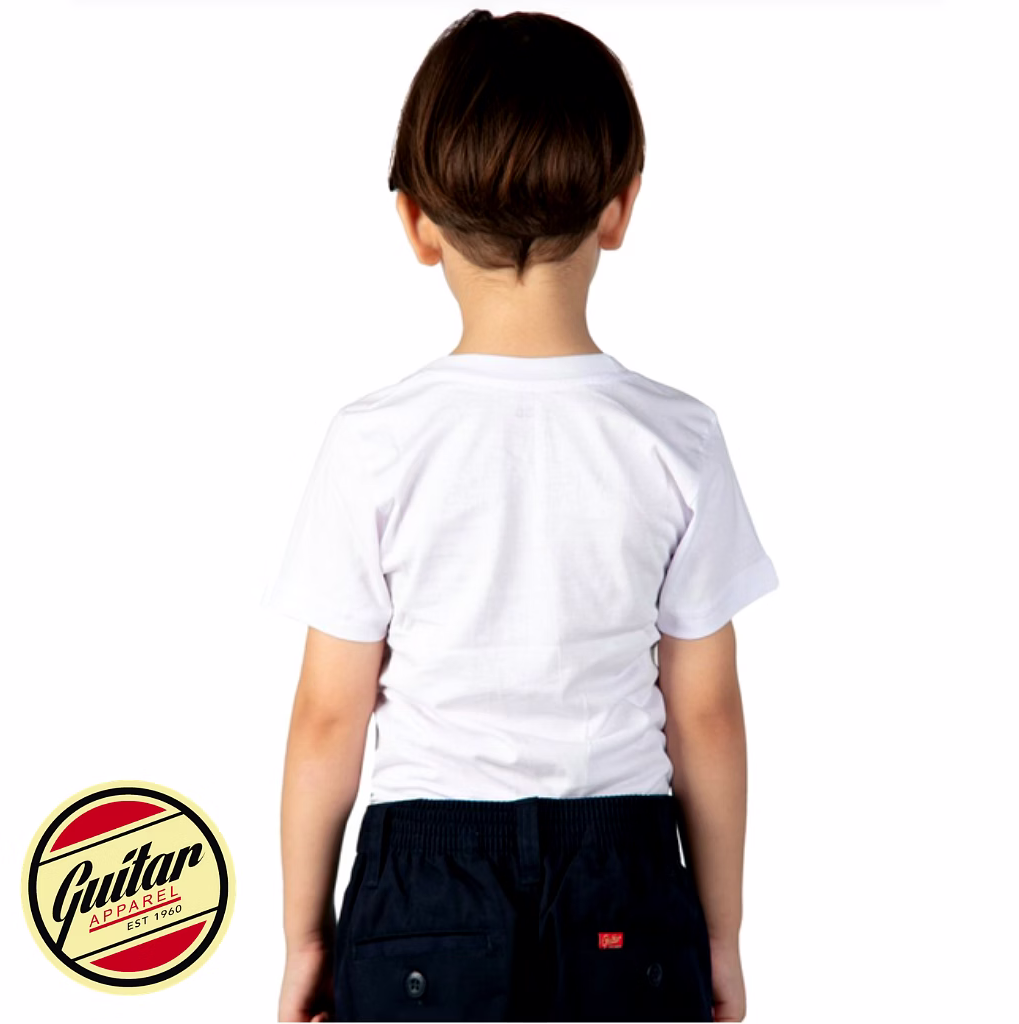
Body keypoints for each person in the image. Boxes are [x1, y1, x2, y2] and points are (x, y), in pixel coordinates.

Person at [263, 9, 778, 1022]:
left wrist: (305, 936)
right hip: (624, 874)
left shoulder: (374, 442)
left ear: (415, 222)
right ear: (620, 208)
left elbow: (329, 713)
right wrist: (720, 936)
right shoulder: (676, 438)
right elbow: (705, 713)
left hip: (425, 885)